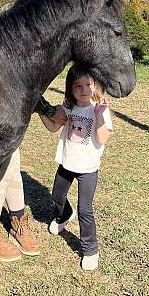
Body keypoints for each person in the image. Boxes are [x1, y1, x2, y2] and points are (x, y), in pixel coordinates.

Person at [0, 0, 70, 262]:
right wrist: (47, 109)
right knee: (6, 166)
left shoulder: (41, 25)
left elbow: (30, 82)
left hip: (16, 107)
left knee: (12, 163)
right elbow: (13, 79)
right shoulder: (11, 19)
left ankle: (19, 222)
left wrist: (47, 108)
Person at [38, 64, 113, 271]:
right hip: (67, 164)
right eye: (77, 86)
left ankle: (90, 250)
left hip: (88, 169)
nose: (83, 90)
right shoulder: (68, 108)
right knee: (56, 198)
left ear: (95, 85)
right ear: (70, 88)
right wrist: (39, 110)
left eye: (87, 84)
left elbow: (103, 137)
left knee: (85, 210)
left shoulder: (100, 109)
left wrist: (99, 115)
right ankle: (63, 216)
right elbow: (53, 126)